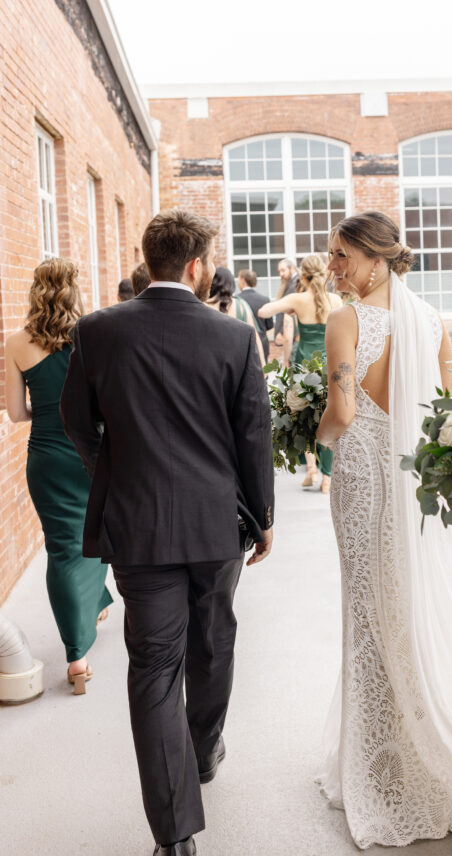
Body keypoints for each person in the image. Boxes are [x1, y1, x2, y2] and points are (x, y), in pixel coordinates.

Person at [315, 211, 452, 848]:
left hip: (361, 484)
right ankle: (421, 757)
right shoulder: (433, 321)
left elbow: (342, 410)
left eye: (344, 257)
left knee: (367, 611)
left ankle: (383, 769)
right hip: (420, 487)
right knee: (410, 606)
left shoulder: (345, 321)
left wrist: (315, 436)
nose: (334, 267)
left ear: (380, 259)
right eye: (333, 255)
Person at [60, 210, 274, 856]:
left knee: (154, 668)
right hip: (214, 524)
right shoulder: (231, 337)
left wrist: (116, 472)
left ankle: (175, 836)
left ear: (148, 257)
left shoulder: (97, 331)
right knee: (213, 643)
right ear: (196, 265)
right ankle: (203, 750)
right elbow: (252, 434)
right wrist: (261, 517)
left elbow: (76, 421)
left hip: (139, 524)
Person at [4, 259, 112, 694]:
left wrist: (47, 412)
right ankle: (76, 654)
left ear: (36, 292)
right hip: (91, 453)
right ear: (74, 290)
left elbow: (14, 413)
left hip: (46, 457)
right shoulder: (94, 334)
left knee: (63, 546)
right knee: (96, 531)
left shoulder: (15, 342)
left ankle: (81, 644)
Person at [259, 254, 342, 494]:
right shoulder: (335, 300)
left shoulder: (297, 298)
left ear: (302, 275)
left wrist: (291, 308)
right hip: (327, 365)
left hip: (304, 365)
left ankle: (312, 470)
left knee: (303, 418)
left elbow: (264, 312)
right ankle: (327, 477)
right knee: (326, 417)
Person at [206, 266, 265, 367]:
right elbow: (254, 337)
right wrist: (263, 364)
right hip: (237, 362)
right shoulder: (241, 305)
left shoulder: (202, 305)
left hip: (210, 362)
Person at [237, 268, 273, 361]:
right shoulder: (265, 299)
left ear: (243, 280)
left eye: (238, 279)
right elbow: (269, 325)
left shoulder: (236, 300)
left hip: (243, 343)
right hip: (262, 342)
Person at [273, 257, 298, 345]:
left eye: (283, 270)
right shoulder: (289, 283)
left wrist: (281, 332)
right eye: (279, 271)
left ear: (292, 269)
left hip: (291, 333)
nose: (281, 274)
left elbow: (287, 311)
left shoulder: (296, 284)